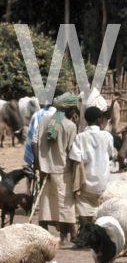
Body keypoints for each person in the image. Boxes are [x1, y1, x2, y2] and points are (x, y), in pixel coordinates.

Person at [32, 92, 80, 244]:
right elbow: (73, 151)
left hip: (45, 170)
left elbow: (34, 142)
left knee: (45, 203)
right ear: (71, 110)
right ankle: (64, 237)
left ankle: (43, 235)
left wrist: (39, 164)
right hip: (63, 170)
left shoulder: (45, 120)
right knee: (64, 205)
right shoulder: (70, 126)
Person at [69, 106, 114, 226]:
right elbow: (110, 154)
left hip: (86, 183)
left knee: (83, 206)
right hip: (103, 183)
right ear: (99, 120)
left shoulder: (79, 138)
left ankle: (85, 232)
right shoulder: (107, 136)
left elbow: (75, 158)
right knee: (102, 208)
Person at [23, 88, 63, 167]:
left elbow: (32, 139)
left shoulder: (38, 115)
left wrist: (36, 161)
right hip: (60, 159)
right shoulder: (64, 115)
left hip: (42, 158)